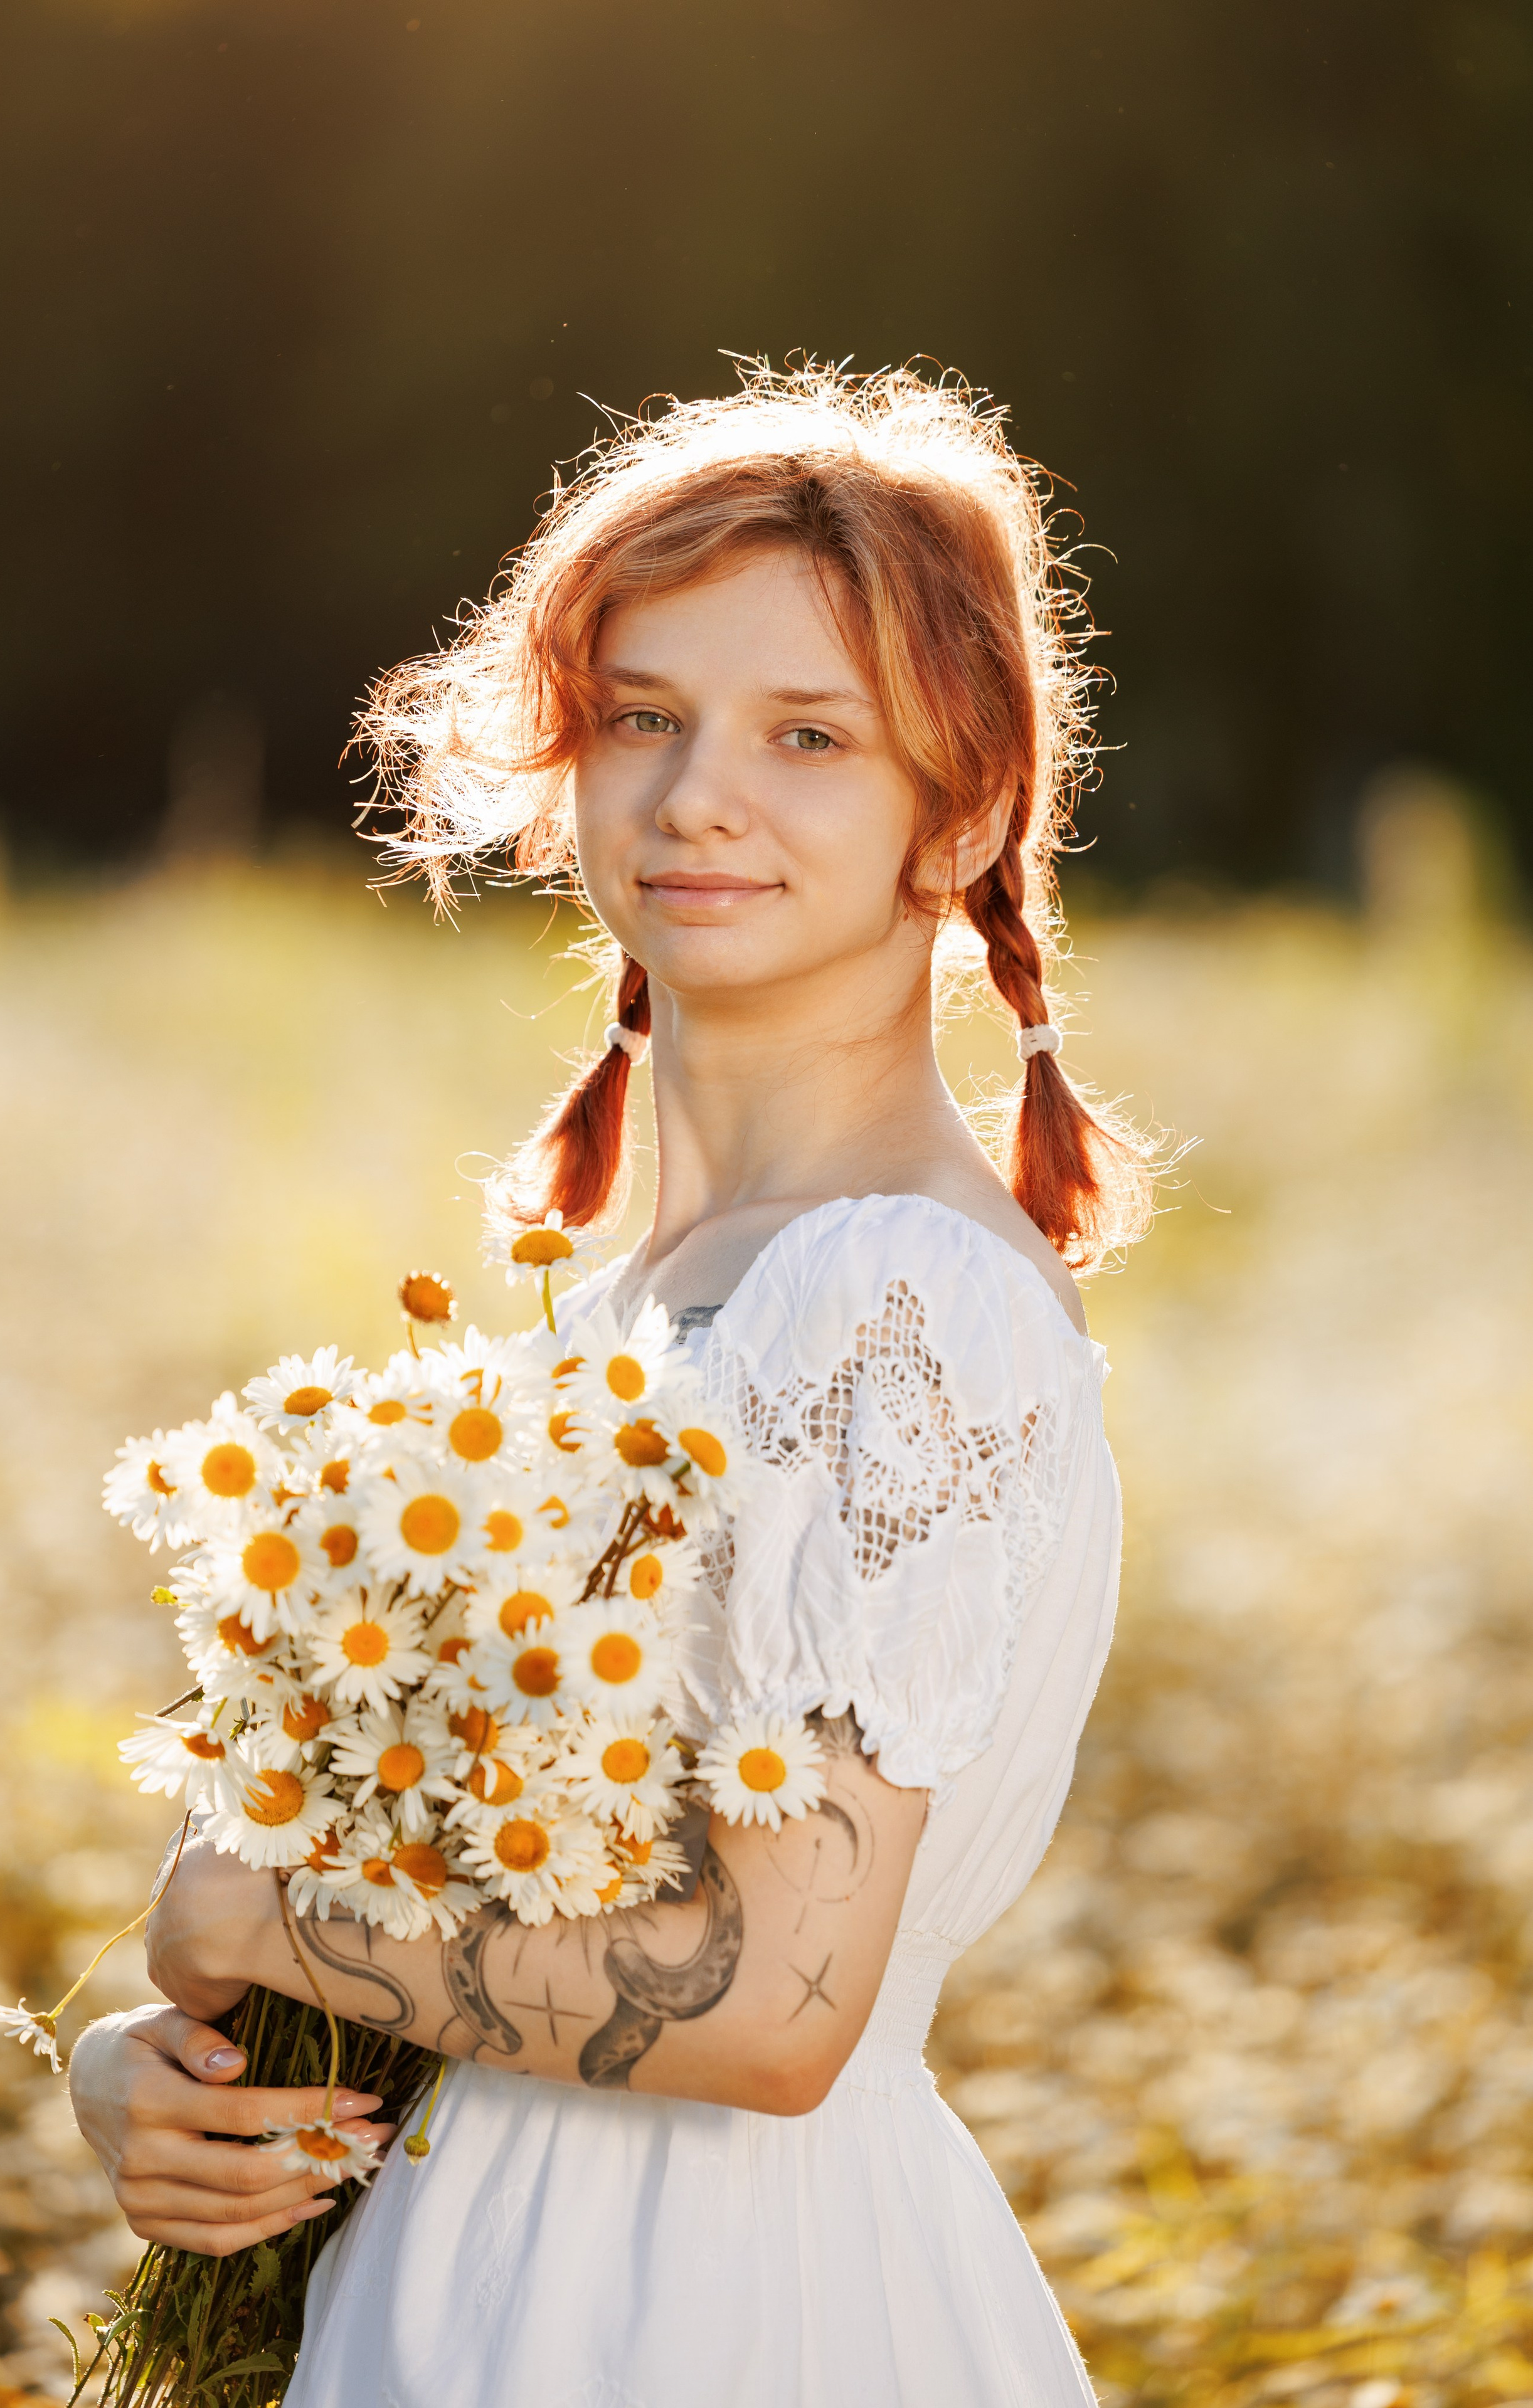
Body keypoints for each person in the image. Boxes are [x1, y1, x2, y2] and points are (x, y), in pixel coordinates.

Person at [70, 362, 1152, 2405]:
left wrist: (246, 1913)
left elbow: (769, 2011)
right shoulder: (642, 1305)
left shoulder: (897, 1297)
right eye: (645, 717)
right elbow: (501, 1904)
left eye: (809, 737)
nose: (695, 797)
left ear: (974, 810)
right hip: (472, 2275)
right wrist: (168, 2081)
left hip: (709, 2314)